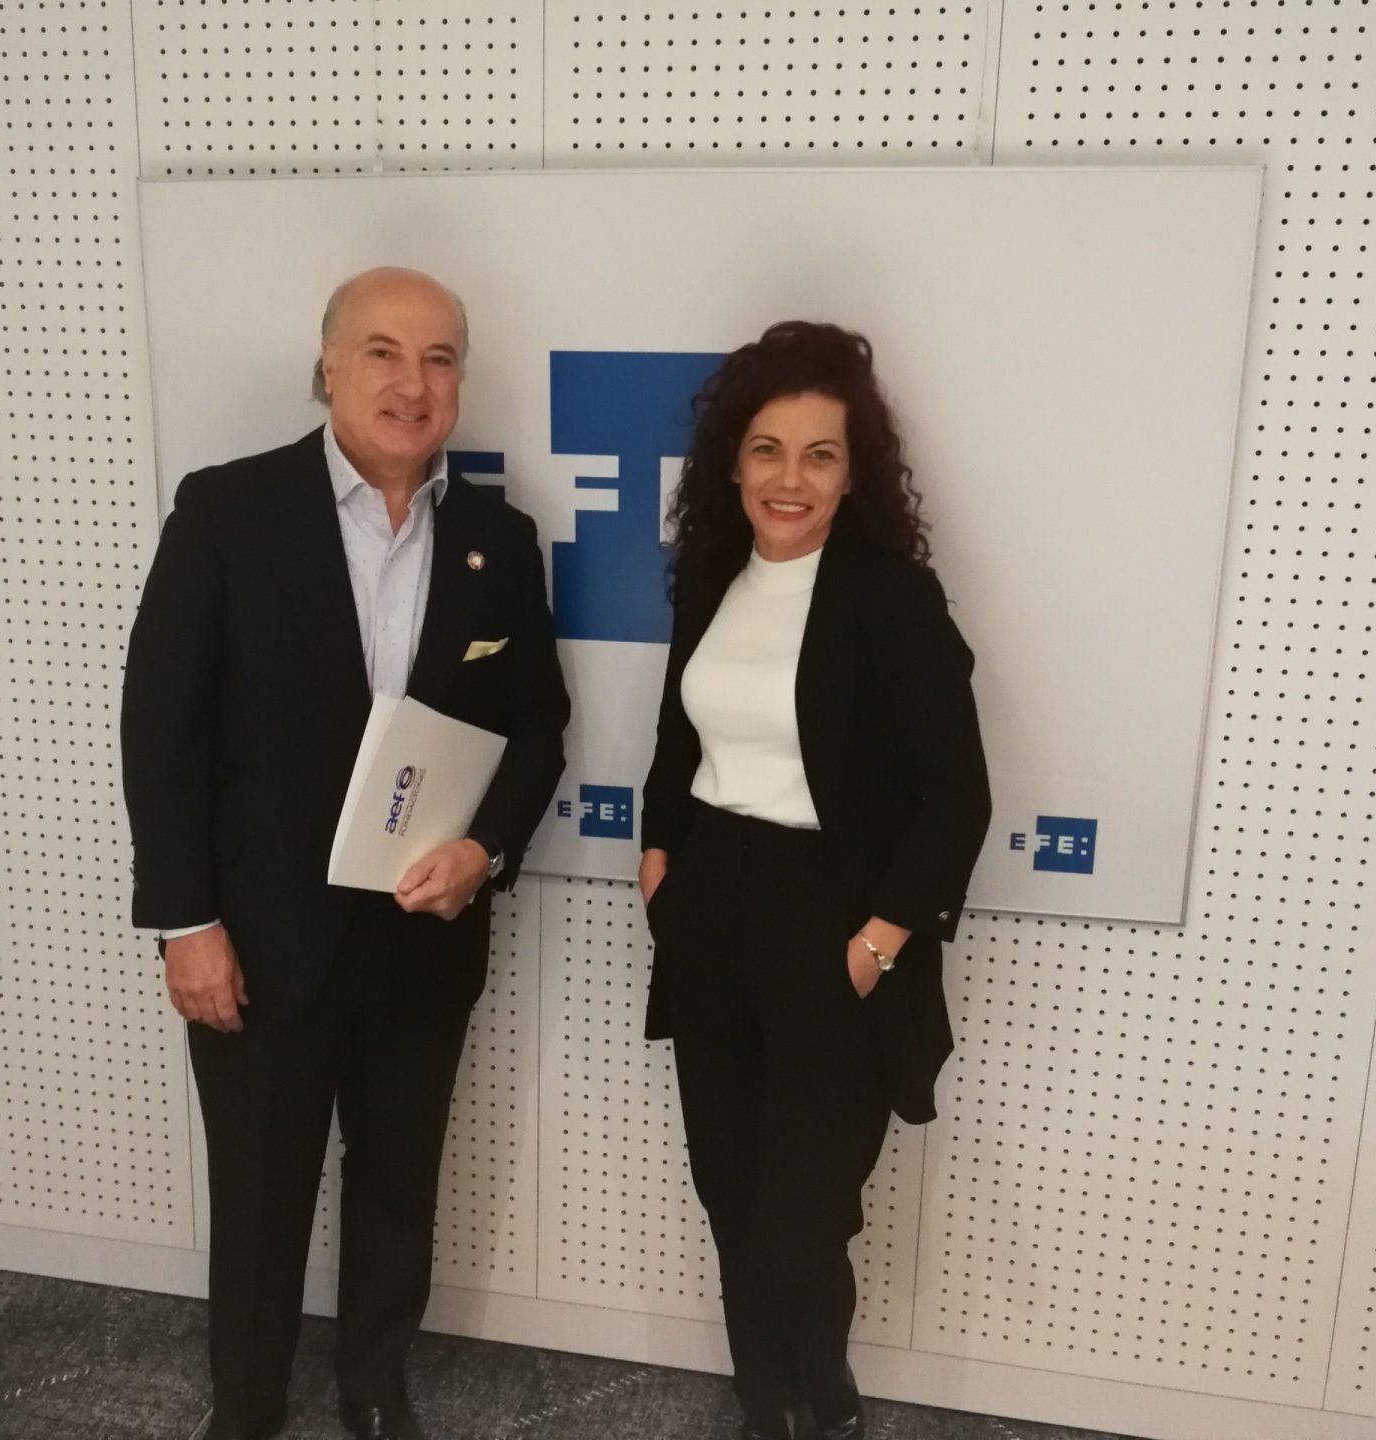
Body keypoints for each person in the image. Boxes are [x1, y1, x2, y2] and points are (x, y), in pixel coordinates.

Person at [121, 267, 569, 1440]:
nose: (412, 384)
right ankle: (247, 1411)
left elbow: (538, 727)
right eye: (382, 352)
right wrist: (185, 923)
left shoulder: (498, 539)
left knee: (398, 1189)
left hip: (424, 939)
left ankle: (373, 1391)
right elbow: (161, 728)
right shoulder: (228, 511)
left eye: (439, 359)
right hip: (259, 945)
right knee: (259, 1205)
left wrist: (486, 850)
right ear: (327, 366)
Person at [638, 321, 992, 1440]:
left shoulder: (893, 599)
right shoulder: (711, 580)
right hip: (710, 903)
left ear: (853, 472)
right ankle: (766, 1404)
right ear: (732, 463)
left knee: (798, 1222)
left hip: (832, 920)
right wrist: (658, 859)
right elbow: (677, 738)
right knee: (729, 1194)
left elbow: (957, 797)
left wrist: (878, 942)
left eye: (819, 454)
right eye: (767, 450)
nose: (789, 479)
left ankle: (823, 1397)